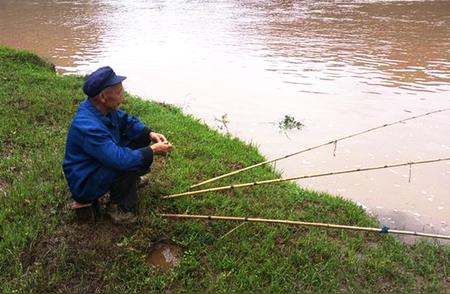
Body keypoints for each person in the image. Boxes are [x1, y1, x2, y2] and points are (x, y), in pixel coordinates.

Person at [63, 66, 172, 224]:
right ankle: (117, 207)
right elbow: (120, 160)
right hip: (85, 181)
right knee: (127, 161)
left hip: (97, 165)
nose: (123, 98)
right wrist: (152, 150)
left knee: (139, 138)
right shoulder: (87, 126)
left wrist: (149, 134)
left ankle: (127, 184)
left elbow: (126, 121)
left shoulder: (103, 109)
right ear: (102, 96)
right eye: (119, 93)